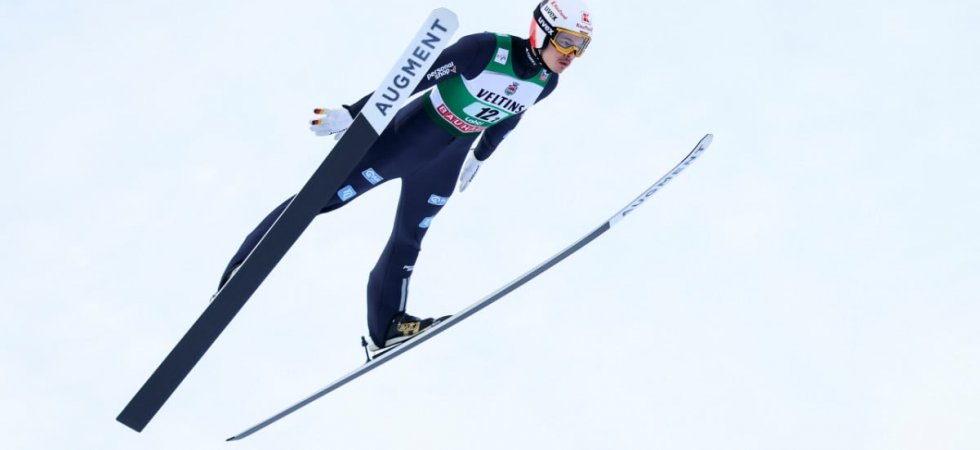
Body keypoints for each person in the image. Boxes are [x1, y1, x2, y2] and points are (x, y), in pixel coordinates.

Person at [218, 0, 594, 352]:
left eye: (581, 47)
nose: (571, 56)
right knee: (322, 198)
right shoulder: (483, 49)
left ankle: (387, 328)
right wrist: (356, 114)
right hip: (407, 140)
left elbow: (511, 117)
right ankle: (243, 264)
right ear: (542, 31)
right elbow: (412, 77)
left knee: (409, 238)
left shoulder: (547, 82)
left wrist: (480, 155)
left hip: (446, 161)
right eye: (566, 42)